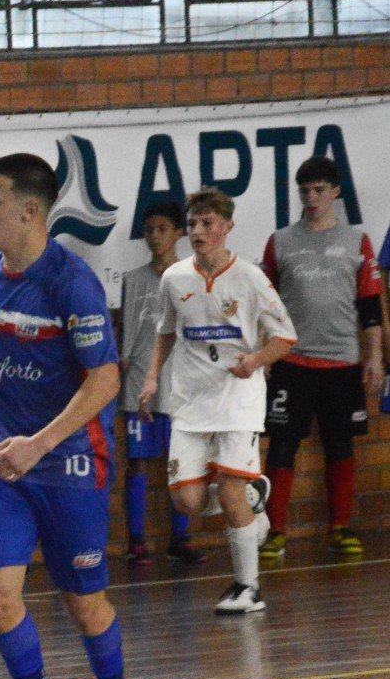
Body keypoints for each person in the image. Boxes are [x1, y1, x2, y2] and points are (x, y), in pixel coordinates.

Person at [0, 152, 135, 679]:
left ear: (30, 211)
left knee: (83, 602)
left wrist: (40, 440)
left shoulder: (72, 283)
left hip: (68, 465)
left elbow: (105, 379)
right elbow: (0, 341)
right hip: (2, 462)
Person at [144, 187, 293, 615]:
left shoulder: (250, 277)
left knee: (227, 488)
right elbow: (165, 331)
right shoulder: (174, 278)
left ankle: (248, 588)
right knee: (187, 501)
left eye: (207, 224)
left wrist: (256, 361)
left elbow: (286, 336)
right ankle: (251, 499)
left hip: (238, 399)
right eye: (192, 224)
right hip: (190, 400)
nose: (198, 231)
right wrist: (152, 377)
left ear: (227, 228)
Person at [259, 155, 385, 561]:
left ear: (335, 192)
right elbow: (265, 305)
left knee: (340, 444)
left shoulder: (356, 242)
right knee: (281, 445)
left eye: (318, 191)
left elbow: (370, 306)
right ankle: (275, 531)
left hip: (342, 363)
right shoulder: (281, 241)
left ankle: (340, 528)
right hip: (292, 362)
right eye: (304, 191)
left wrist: (375, 358)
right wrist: (264, 356)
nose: (311, 198)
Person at [117, 202, 201, 567]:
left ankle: (179, 538)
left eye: (162, 229)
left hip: (181, 382)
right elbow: (126, 337)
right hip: (139, 384)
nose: (155, 236)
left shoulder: (194, 276)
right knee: (137, 461)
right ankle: (136, 540)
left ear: (179, 233)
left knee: (179, 462)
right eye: (149, 229)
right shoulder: (133, 279)